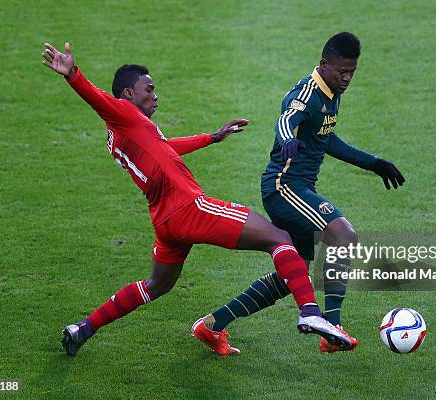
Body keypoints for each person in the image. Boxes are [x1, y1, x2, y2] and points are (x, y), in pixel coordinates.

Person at [41, 41, 352, 356]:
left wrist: (211, 138)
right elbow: (98, 100)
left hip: (165, 221)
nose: (155, 95)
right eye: (148, 89)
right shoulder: (121, 112)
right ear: (128, 95)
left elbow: (165, 147)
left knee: (156, 285)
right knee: (279, 238)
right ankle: (311, 313)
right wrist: (73, 74)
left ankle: (83, 328)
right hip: (190, 208)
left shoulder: (126, 133)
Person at [194, 32, 405, 354]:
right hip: (283, 186)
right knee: (343, 235)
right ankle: (332, 326)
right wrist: (287, 139)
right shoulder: (307, 93)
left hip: (299, 187)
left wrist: (373, 163)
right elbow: (286, 118)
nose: (347, 78)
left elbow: (327, 138)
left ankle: (212, 324)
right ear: (324, 64)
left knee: (292, 275)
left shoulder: (332, 89)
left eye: (352, 72)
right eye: (341, 72)